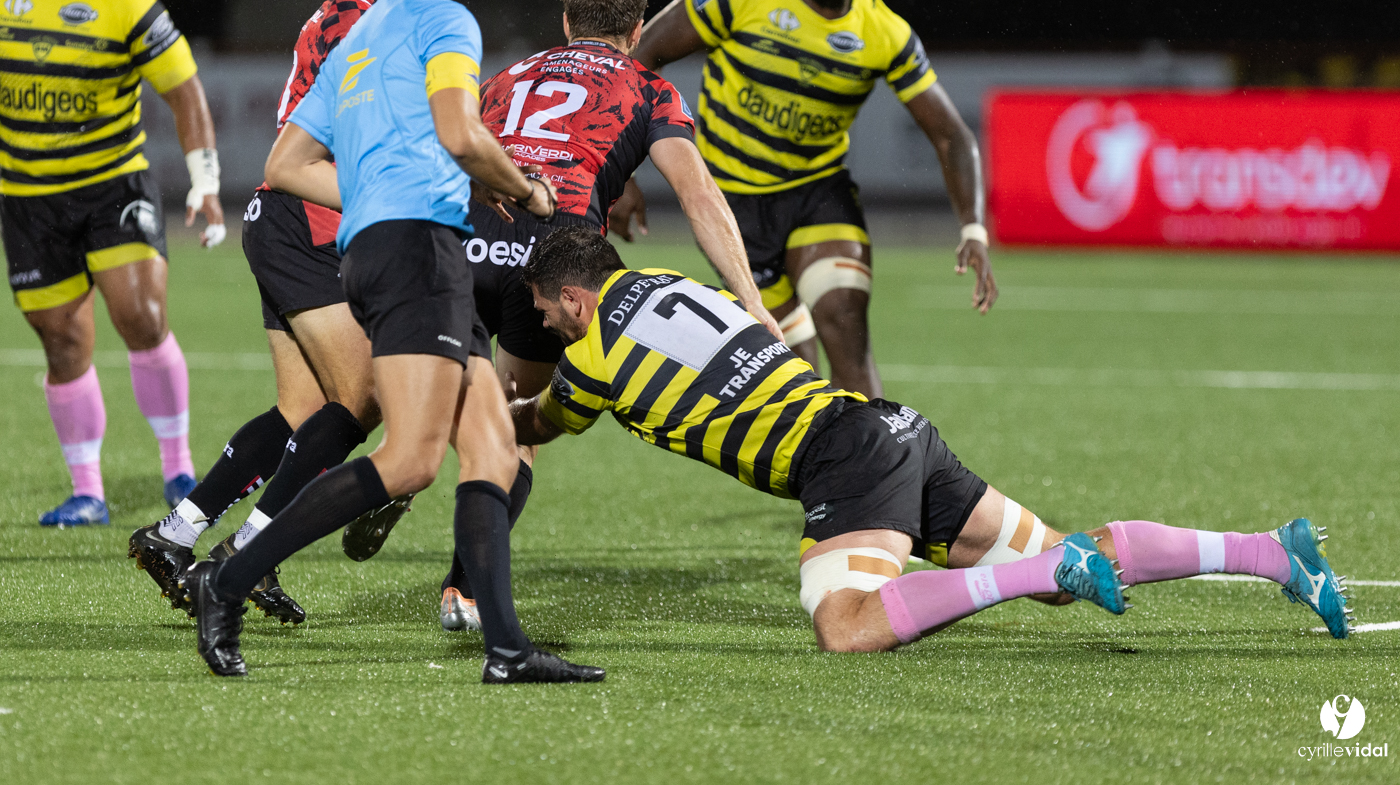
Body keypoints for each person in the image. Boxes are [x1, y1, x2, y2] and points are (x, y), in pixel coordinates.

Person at [506, 227, 1355, 649]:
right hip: (893, 428)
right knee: (1069, 565)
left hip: (842, 455)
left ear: (574, 301)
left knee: (845, 624)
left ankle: (1041, 570)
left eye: (546, 316)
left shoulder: (596, 357)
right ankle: (1276, 553)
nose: (546, 331)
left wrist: (474, 408)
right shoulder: (667, 280)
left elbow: (539, 420)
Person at [179, 0, 604, 684]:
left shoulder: (359, 37)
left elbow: (285, 166)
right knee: (410, 461)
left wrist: (385, 190)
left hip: (384, 247)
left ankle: (507, 650)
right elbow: (459, 130)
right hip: (419, 255)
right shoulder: (448, 21)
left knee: (492, 443)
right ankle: (227, 578)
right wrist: (525, 187)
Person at [334, 0, 782, 632]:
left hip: (460, 237)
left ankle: (265, 535)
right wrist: (749, 296)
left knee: (400, 402)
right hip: (549, 257)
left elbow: (446, 146)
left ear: (566, 22)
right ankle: (464, 590)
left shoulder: (508, 75)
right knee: (515, 430)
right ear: (636, 29)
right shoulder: (650, 89)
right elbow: (699, 196)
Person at [129, 0, 404, 626]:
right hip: (308, 218)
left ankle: (177, 531)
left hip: (284, 216)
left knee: (302, 407)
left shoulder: (339, 10)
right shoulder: (376, 20)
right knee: (361, 402)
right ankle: (245, 553)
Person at [630, 0, 995, 398]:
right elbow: (639, 58)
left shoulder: (883, 31)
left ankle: (881, 468)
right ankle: (825, 468)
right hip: (730, 203)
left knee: (843, 321)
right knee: (790, 373)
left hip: (817, 192)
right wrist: (621, 176)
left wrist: (973, 228)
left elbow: (952, 136)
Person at [1, 0, 225, 525]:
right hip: (30, 199)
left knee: (142, 312)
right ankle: (87, 490)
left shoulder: (125, 0)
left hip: (112, 185)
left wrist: (205, 182)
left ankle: (179, 467)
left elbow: (184, 90)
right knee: (62, 340)